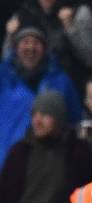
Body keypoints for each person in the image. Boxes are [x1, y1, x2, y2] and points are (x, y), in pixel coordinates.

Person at [0, 22, 82, 169]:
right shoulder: (3, 78)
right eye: (25, 42)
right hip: (6, 162)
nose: (30, 47)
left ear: (44, 48)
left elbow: (74, 120)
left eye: (36, 42)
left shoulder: (61, 80)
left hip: (49, 167)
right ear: (16, 47)